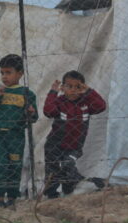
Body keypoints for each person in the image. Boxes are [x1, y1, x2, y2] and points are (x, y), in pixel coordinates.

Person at [0, 54, 38, 208]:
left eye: (8, 72)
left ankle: (12, 197)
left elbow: (34, 118)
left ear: (20, 74)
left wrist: (31, 113)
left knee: (15, 164)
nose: (4, 76)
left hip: (16, 136)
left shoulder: (27, 94)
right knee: (1, 164)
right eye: (2, 73)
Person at [42, 70, 108, 198]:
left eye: (78, 87)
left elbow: (101, 106)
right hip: (54, 145)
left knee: (68, 164)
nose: (73, 90)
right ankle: (51, 195)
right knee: (52, 170)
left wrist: (89, 91)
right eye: (69, 86)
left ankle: (69, 190)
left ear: (82, 88)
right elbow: (48, 111)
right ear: (62, 88)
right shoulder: (60, 102)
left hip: (75, 146)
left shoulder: (85, 103)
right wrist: (53, 92)